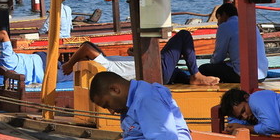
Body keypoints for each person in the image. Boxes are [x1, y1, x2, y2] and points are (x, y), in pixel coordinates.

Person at [63, 32, 220, 86]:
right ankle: (196, 75)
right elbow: (86, 47)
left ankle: (190, 79)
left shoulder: (107, 62)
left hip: (160, 73)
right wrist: (70, 64)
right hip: (157, 70)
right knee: (184, 35)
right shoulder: (105, 64)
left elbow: (90, 47)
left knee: (177, 72)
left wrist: (134, 55)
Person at [199, 3, 268, 83]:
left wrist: (213, 64)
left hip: (242, 76)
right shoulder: (251, 24)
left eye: (218, 18)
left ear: (224, 14)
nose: (218, 23)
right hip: (262, 75)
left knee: (203, 68)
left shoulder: (224, 26)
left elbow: (219, 57)